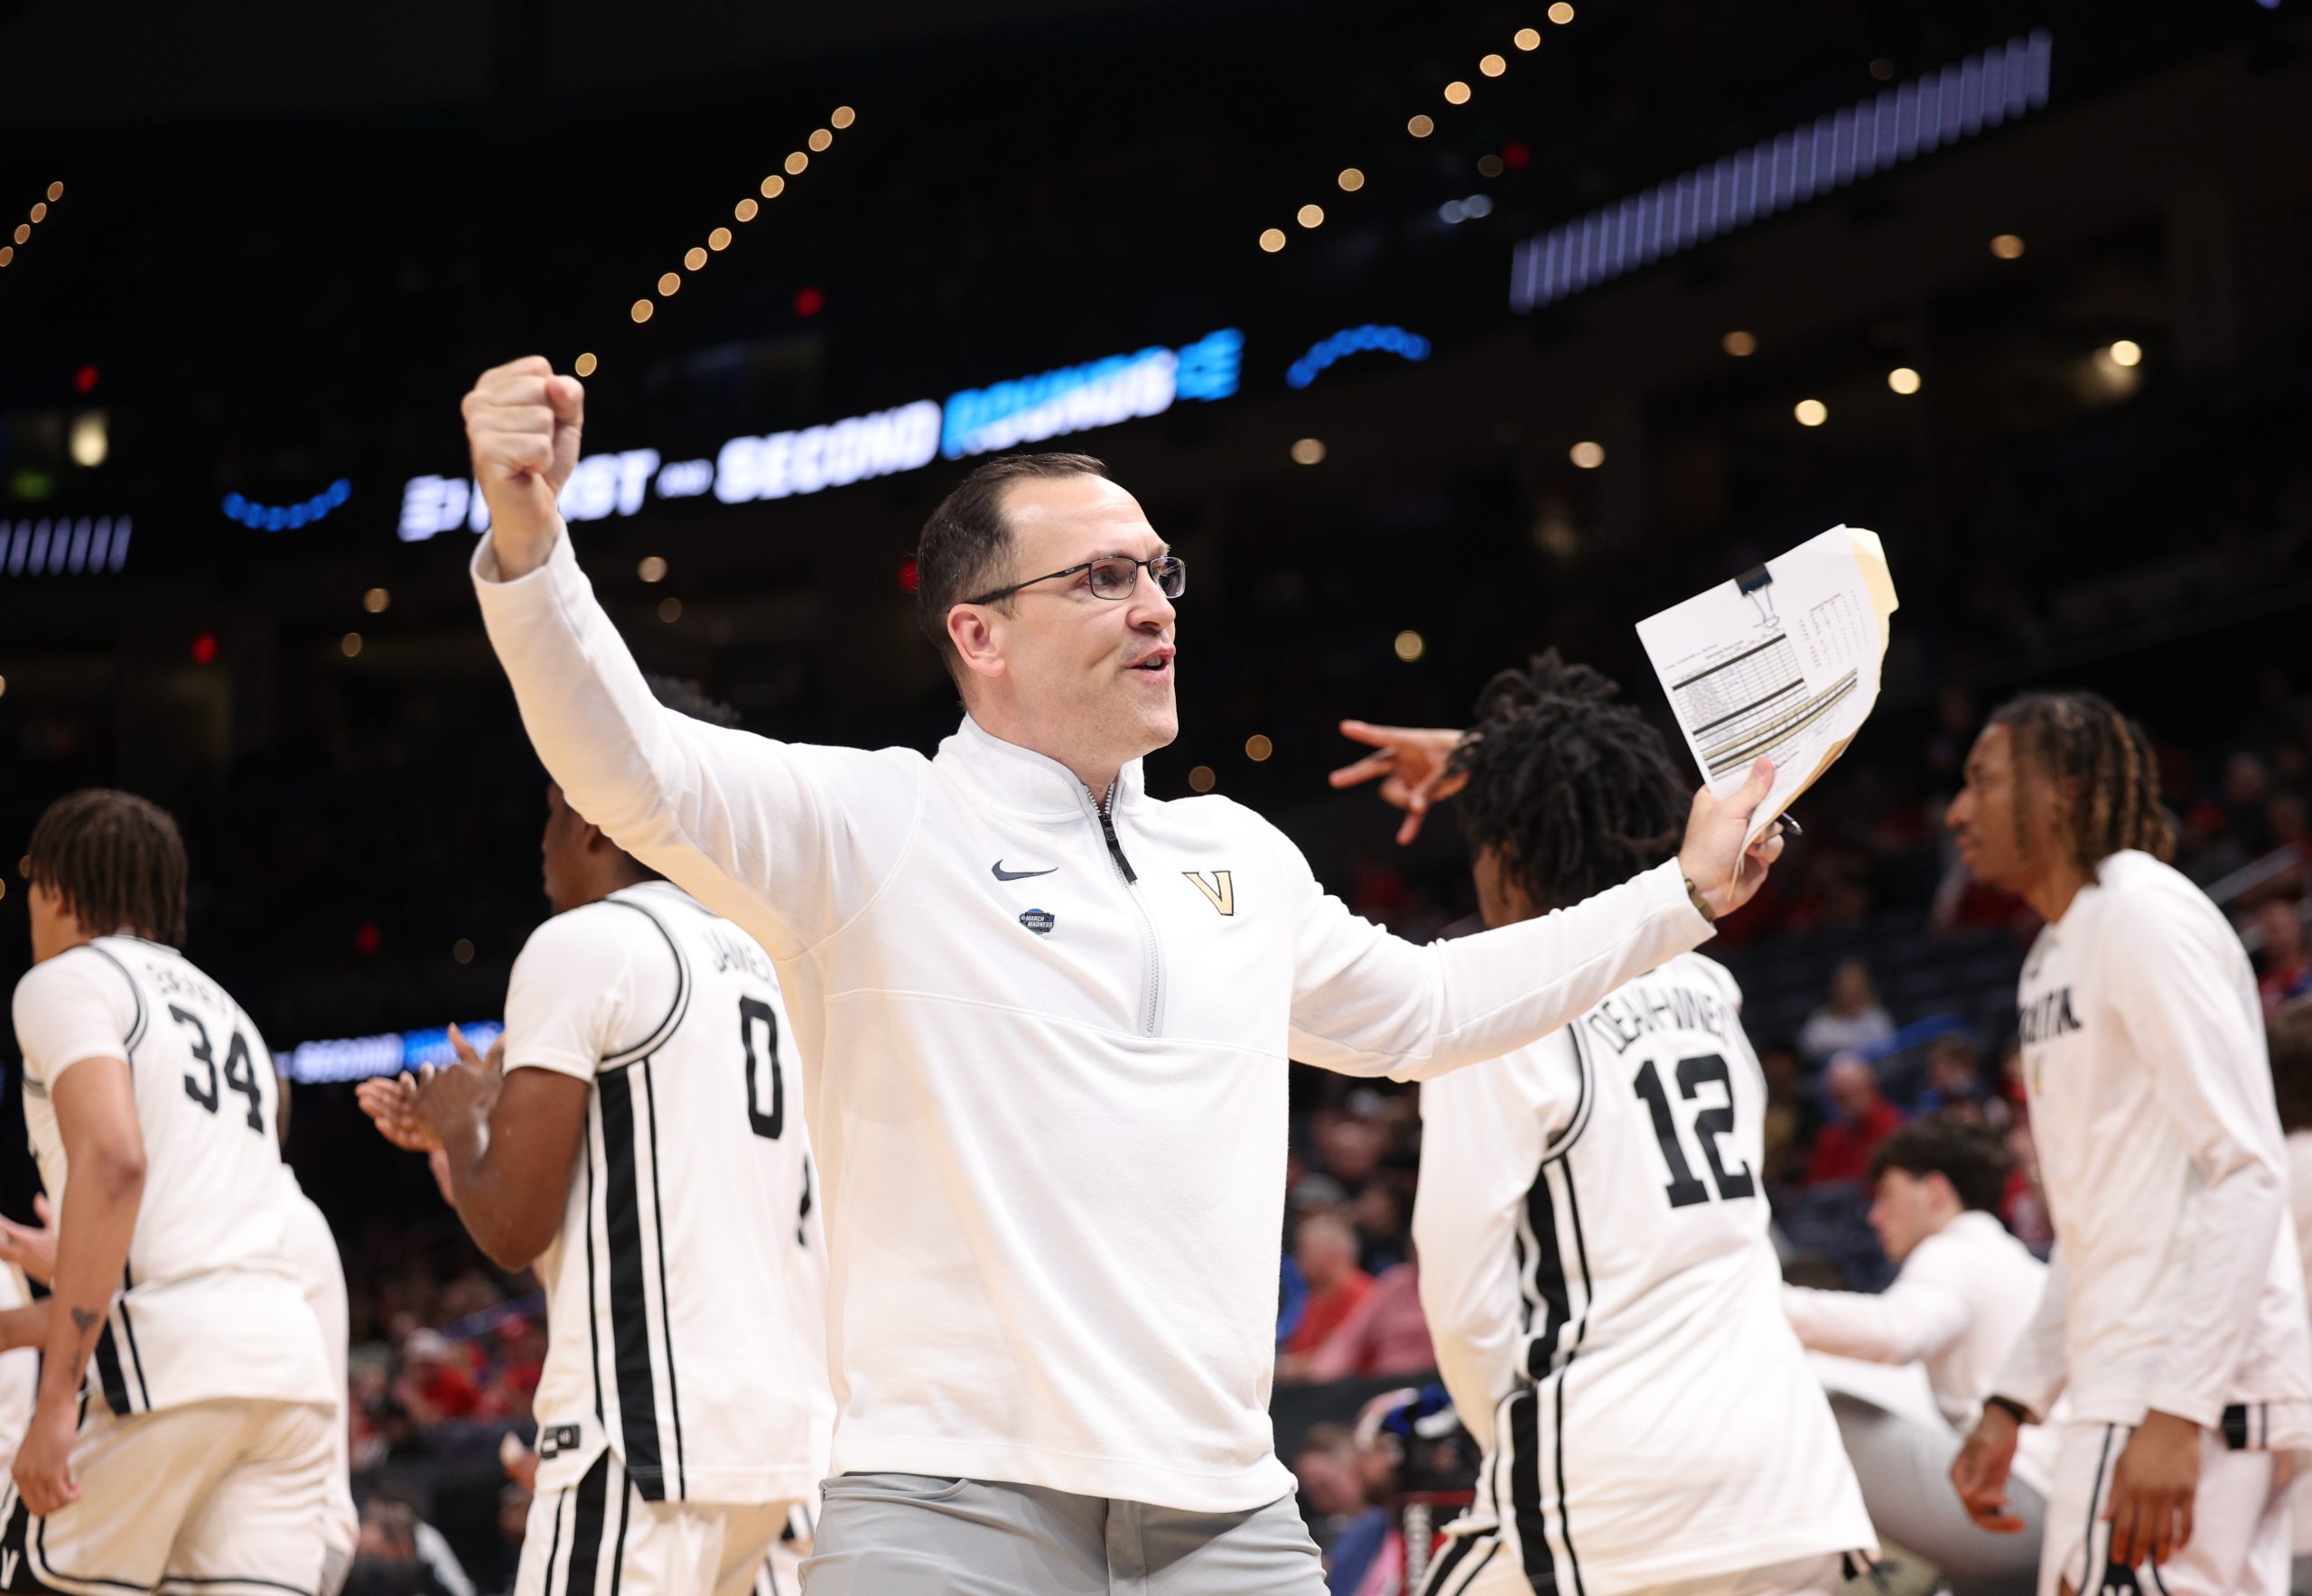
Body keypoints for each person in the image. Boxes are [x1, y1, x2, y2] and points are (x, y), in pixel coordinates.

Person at [456, 358, 1785, 1593]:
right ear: (978, 633)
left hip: (1227, 1517)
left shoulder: (1236, 855)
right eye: (1099, 578)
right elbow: (624, 757)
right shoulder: (871, 827)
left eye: (1158, 573)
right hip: (945, 1509)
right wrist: (531, 546)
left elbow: (1428, 1013)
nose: (1154, 606)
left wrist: (1680, 892)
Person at [1339, 654, 1874, 1596]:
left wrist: (1515, 1443)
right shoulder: (1710, 987)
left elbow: (1464, 1303)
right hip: (1792, 1481)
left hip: (1615, 1487)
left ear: (1502, 853)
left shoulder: (1497, 1012)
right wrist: (1493, 759)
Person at [357, 680, 833, 1596]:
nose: (540, 841)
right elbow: (627, 1207)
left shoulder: (586, 944)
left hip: (645, 1439)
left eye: (549, 809)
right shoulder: (763, 964)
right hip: (776, 1451)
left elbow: (514, 1229)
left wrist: (463, 1120)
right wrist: (471, 1144)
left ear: (595, 822)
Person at [1944, 691, 2312, 1596]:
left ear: (2062, 790)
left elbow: (2246, 1167)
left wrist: (2179, 1411)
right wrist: (2013, 1400)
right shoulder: (2051, 957)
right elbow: (2091, 1217)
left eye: (1982, 782)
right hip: (2136, 1383)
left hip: (2173, 1390)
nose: (1957, 812)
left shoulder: (2146, 916)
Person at [0, 789, 336, 1592]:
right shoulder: (233, 1016)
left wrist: (56, 1402)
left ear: (52, 887)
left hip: (166, 1371)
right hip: (291, 1381)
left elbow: (114, 1162)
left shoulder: (64, 981)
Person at [1783, 1115, 2050, 1594]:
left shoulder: (1957, 1249)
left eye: (1885, 1196)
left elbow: (1897, 1334)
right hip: (2044, 1507)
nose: (1874, 1217)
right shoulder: (2000, 1253)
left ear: (1936, 1192)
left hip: (2019, 1504)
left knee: (1813, 1404)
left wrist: (1757, 1299)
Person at [1805, 1056, 1904, 1185]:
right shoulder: (1829, 1139)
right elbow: (1815, 1185)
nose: (1852, 1102)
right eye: (1841, 1097)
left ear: (1872, 1087)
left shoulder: (1893, 1126)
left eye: (1857, 1092)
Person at [1799, 961, 1897, 1066]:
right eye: (1846, 989)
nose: (1850, 995)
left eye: (1856, 989)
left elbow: (1890, 1053)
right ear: (1836, 990)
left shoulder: (1877, 1016)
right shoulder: (1820, 1021)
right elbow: (1807, 1050)